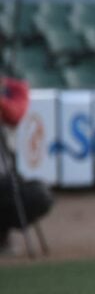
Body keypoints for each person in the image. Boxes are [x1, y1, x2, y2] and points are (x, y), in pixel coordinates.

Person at [0, 77, 53, 254]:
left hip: (5, 175)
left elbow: (14, 114)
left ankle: (2, 236)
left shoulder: (11, 90)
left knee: (38, 195)